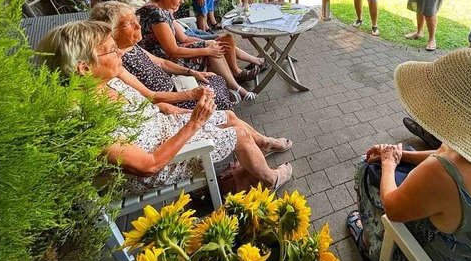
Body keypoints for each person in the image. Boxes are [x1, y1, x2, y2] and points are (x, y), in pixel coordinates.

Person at [36, 21, 293, 195]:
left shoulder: (106, 83)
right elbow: (147, 166)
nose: (119, 54)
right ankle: (269, 179)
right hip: (161, 164)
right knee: (240, 134)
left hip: (166, 133)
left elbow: (153, 108)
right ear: (84, 68)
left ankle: (261, 148)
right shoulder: (85, 117)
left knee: (227, 115)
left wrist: (193, 113)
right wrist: (195, 123)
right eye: (111, 51)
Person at [348, 49, 471, 261]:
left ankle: (372, 244)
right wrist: (402, 155)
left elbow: (393, 207)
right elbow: (449, 154)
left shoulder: (440, 174)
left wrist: (389, 163)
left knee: (367, 168)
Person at [136, 0, 264, 102]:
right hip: (162, 59)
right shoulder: (156, 14)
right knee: (212, 49)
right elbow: (172, 51)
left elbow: (184, 37)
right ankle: (234, 86)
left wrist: (206, 43)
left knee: (213, 44)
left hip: (172, 52)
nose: (182, 2)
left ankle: (233, 82)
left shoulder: (163, 9)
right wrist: (205, 50)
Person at [90, 0, 234, 111]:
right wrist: (191, 94)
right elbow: (149, 96)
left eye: (136, 20)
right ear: (111, 31)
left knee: (215, 79)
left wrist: (192, 72)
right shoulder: (115, 60)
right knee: (217, 97)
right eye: (129, 24)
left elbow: (161, 63)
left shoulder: (130, 46)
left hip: (176, 85)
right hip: (170, 99)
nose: (138, 26)